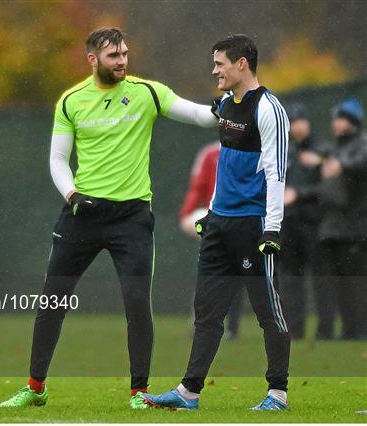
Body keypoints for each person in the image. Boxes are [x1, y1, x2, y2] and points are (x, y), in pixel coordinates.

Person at [0, 27, 218, 409]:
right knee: (52, 302)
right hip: (81, 214)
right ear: (93, 59)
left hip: (132, 218)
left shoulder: (147, 92)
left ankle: (139, 392)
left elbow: (199, 115)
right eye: (113, 56)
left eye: (125, 54)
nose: (122, 62)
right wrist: (71, 194)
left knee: (136, 302)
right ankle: (35, 387)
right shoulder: (71, 101)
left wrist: (229, 105)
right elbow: (56, 159)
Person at [142, 34, 291, 411]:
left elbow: (276, 174)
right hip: (219, 225)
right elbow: (224, 164)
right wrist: (211, 212)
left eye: (220, 63)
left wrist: (272, 228)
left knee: (267, 311)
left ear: (242, 63)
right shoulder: (225, 103)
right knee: (207, 312)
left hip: (253, 225)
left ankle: (278, 394)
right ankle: (188, 393)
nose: (214, 70)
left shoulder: (269, 109)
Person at [288, 97, 367, 340]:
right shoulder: (337, 148)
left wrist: (326, 163)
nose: (335, 123)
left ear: (352, 121)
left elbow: (353, 166)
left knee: (353, 282)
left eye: (340, 119)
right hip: (335, 226)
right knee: (342, 282)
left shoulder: (355, 147)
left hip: (352, 225)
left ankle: (354, 330)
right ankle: (349, 330)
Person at [179, 141, 245, 340]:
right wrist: (187, 213)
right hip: (214, 220)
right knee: (210, 273)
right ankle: (202, 325)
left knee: (236, 275)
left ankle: (232, 328)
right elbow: (197, 187)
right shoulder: (209, 154)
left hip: (243, 220)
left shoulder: (254, 150)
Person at [279, 103, 328, 339]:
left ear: (308, 123)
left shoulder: (322, 152)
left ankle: (325, 331)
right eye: (292, 122)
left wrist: (300, 193)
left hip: (314, 223)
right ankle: (294, 330)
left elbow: (329, 190)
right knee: (290, 278)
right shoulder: (284, 152)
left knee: (320, 278)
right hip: (288, 223)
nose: (297, 126)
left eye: (300, 121)